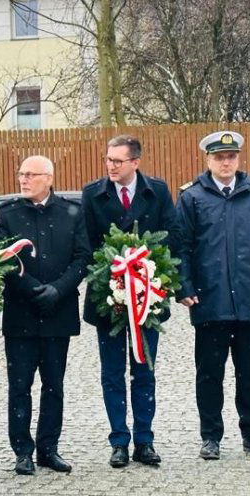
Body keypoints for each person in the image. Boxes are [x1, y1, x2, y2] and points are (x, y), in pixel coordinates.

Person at [175, 131, 250, 461]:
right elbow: (181, 246)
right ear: (207, 160)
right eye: (219, 157)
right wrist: (184, 287)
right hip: (210, 301)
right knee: (209, 373)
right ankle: (211, 436)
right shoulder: (191, 198)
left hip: (249, 301)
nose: (226, 162)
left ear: (238, 159)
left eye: (231, 156)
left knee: (249, 372)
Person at [81, 134, 176, 468]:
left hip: (147, 298)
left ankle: (145, 441)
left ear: (135, 162)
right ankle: (119, 440)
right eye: (108, 160)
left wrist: (150, 275)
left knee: (144, 371)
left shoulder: (158, 192)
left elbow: (170, 238)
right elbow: (87, 245)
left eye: (118, 161)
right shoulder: (93, 194)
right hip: (108, 299)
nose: (111, 166)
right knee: (112, 373)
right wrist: (114, 277)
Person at [0, 155, 91, 475]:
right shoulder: (8, 213)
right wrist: (34, 289)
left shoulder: (70, 212)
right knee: (19, 387)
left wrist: (58, 290)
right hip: (21, 313)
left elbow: (82, 258)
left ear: (48, 178)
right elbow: (3, 259)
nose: (23, 179)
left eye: (30, 174)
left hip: (58, 313)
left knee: (54, 386)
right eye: (21, 173)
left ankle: (49, 449)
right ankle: (22, 451)